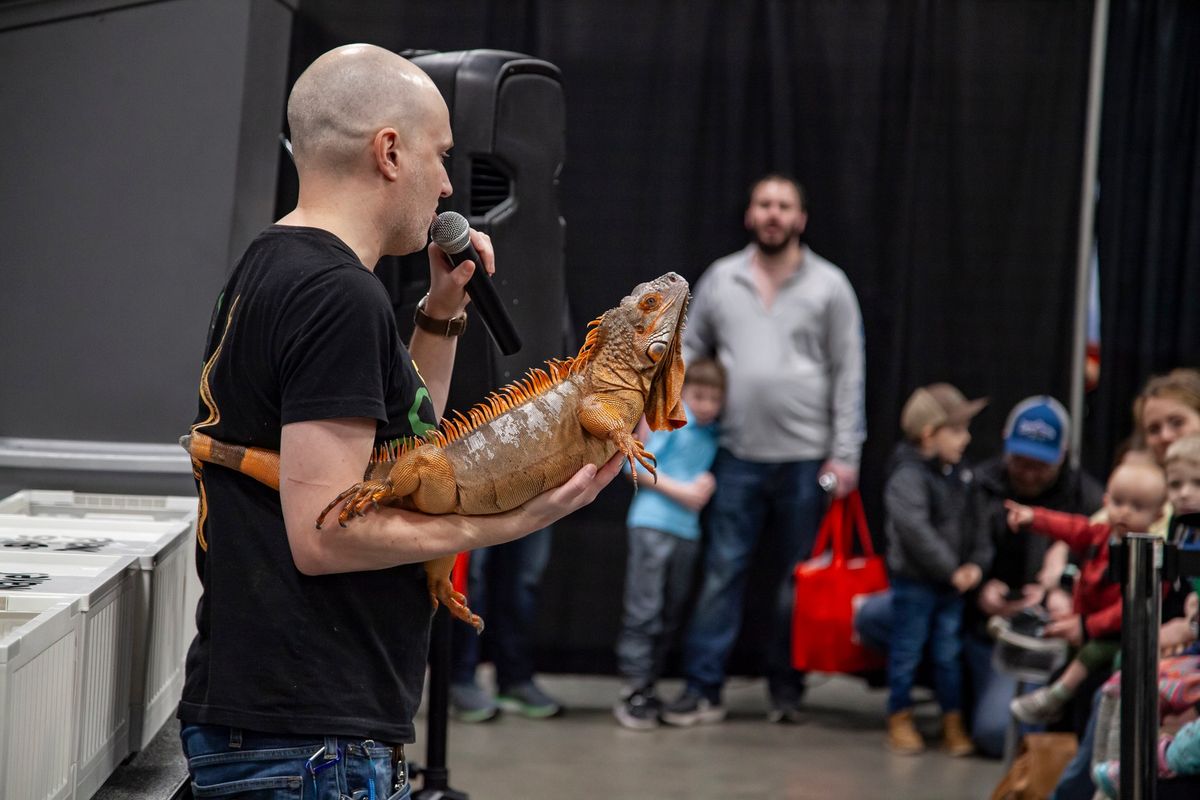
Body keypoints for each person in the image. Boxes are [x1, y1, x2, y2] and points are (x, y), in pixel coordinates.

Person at [177, 45, 621, 799]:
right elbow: (324, 534)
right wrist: (508, 523)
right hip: (306, 734)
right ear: (389, 151)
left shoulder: (275, 264)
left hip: (289, 722)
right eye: (441, 155)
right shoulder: (335, 295)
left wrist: (441, 314)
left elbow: (395, 460)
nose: (449, 183)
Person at [662, 173, 865, 726]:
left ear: (800, 219)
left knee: (794, 581)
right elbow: (687, 349)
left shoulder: (831, 286)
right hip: (735, 453)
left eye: (784, 206)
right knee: (723, 573)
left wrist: (846, 454)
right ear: (750, 215)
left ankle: (786, 690)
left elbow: (849, 373)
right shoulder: (722, 279)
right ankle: (703, 689)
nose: (774, 214)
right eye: (764, 204)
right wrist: (674, 426)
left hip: (807, 459)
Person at [1053, 369, 1200, 800]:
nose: (1163, 436)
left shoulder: (1179, 499)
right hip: (1145, 634)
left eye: (1176, 422)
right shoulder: (1166, 497)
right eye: (1153, 428)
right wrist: (1058, 567)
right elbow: (1092, 532)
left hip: (1167, 640)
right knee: (1116, 687)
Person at [962, 396, 1104, 757]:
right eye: (1020, 460)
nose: (1027, 473)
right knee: (875, 615)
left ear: (1062, 454)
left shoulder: (1088, 498)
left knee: (997, 733)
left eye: (1039, 465)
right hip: (977, 621)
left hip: (1038, 633)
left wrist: (1059, 582)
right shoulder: (979, 483)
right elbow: (952, 548)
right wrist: (978, 586)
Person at [1004, 461, 1168, 724]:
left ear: (1158, 515)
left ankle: (1056, 696)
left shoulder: (1151, 555)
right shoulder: (1099, 535)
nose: (1124, 512)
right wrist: (1033, 517)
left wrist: (1088, 625)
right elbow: (1069, 526)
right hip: (1083, 625)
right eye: (1117, 502)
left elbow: (1133, 608)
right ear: (1105, 501)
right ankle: (1055, 706)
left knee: (1091, 657)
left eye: (1137, 507)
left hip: (1116, 635)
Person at [612, 358, 725, 730]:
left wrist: (703, 487)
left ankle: (649, 686)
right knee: (644, 611)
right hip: (652, 524)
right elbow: (638, 465)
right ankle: (634, 690)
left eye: (714, 397)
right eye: (699, 395)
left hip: (686, 533)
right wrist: (685, 492)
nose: (706, 404)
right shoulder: (672, 419)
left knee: (669, 613)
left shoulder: (714, 434)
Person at [882, 383, 990, 756]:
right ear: (929, 434)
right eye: (957, 430)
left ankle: (952, 720)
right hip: (916, 584)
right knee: (907, 652)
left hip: (951, 586)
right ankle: (899, 715)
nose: (967, 438)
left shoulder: (964, 475)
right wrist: (951, 570)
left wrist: (977, 564)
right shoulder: (907, 476)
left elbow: (980, 527)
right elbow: (914, 531)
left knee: (948, 653)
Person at [448, 528, 562, 722]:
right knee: (470, 578)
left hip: (537, 498)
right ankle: (460, 678)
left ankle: (515, 678)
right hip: (474, 499)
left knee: (524, 578)